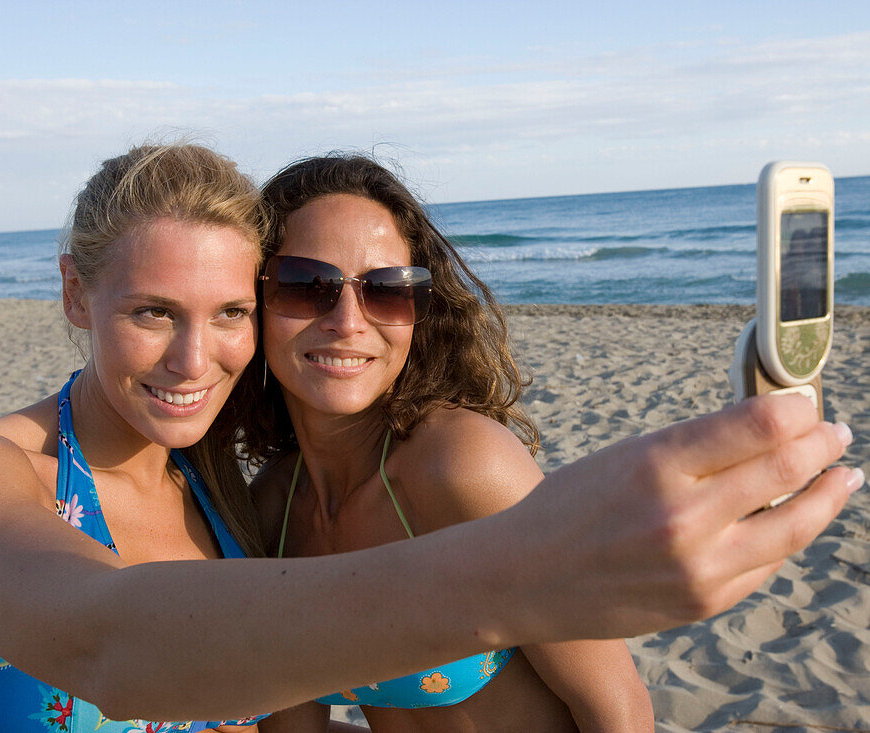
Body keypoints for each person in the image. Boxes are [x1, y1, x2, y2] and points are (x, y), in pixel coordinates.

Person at [0, 143, 862, 733]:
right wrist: (524, 566)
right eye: (152, 311)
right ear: (74, 294)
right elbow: (105, 640)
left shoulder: (231, 499)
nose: (195, 357)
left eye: (227, 310)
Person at [242, 155, 653, 731]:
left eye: (386, 291)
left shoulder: (462, 467)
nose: (348, 321)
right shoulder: (272, 513)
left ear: (419, 313)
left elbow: (618, 709)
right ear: (251, 300)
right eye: (306, 286)